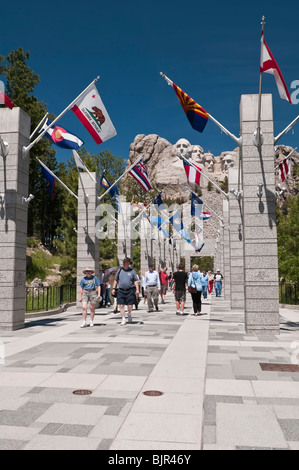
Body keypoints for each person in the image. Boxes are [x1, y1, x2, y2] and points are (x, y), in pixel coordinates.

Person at [112, 258, 139, 325]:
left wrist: (137, 290)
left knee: (130, 305)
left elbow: (135, 281)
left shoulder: (132, 271)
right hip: (121, 290)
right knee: (121, 305)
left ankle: (129, 313)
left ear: (129, 263)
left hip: (130, 290)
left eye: (126, 262)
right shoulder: (120, 270)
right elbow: (116, 280)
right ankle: (123, 318)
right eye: (123, 262)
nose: (124, 263)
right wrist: (113, 288)